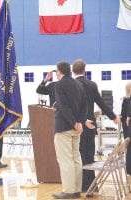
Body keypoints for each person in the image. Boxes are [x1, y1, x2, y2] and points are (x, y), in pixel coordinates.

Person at [72, 59, 121, 192]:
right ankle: (92, 187)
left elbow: (72, 108)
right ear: (85, 70)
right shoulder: (91, 84)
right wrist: (113, 117)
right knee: (89, 156)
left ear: (72, 71)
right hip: (91, 125)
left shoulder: (72, 85)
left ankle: (82, 186)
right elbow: (101, 103)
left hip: (77, 126)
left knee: (79, 156)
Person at [52, 61, 88, 199]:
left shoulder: (59, 85)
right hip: (77, 127)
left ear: (59, 71)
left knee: (66, 159)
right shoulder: (78, 84)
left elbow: (63, 106)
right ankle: (77, 189)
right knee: (76, 158)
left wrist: (73, 122)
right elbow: (85, 105)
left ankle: (68, 190)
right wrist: (79, 121)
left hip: (64, 127)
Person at [121, 82, 131, 175]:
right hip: (128, 126)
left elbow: (123, 115)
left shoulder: (125, 100)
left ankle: (129, 168)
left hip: (127, 127)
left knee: (129, 147)